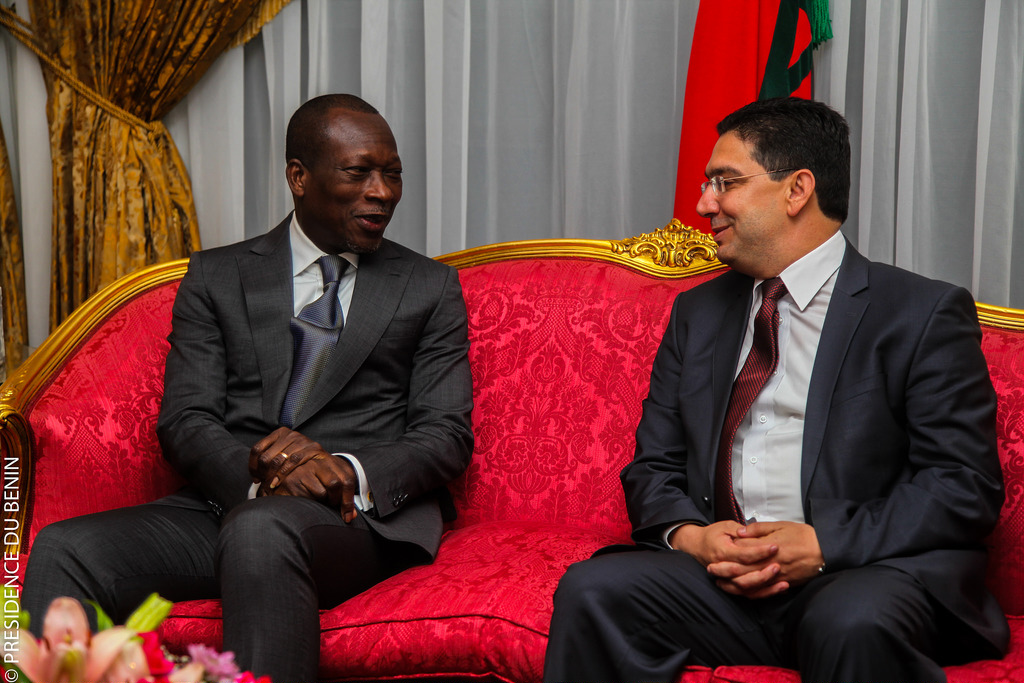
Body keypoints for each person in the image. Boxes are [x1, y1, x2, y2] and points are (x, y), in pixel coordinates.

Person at [543, 97, 1007, 683]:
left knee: (852, 622)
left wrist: (822, 545)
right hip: (720, 581)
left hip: (860, 572)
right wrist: (694, 538)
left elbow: (962, 485)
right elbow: (653, 466)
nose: (704, 204)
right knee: (593, 591)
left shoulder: (919, 312)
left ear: (797, 190)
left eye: (725, 182)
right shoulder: (697, 314)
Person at [20, 94, 474, 682]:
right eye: (359, 172)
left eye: (393, 174)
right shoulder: (217, 277)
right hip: (232, 503)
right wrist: (264, 478)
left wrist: (344, 470)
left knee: (261, 531)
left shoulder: (429, 287)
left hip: (355, 524)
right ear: (298, 177)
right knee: (63, 548)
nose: (382, 192)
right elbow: (186, 420)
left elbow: (445, 434)